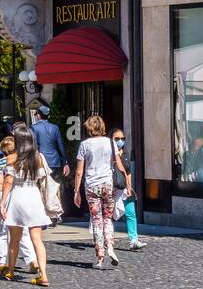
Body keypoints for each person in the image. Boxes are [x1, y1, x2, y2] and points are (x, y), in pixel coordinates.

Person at [74, 114, 129, 271]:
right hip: (107, 185)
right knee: (107, 219)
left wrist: (76, 191)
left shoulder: (85, 145)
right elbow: (119, 165)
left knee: (96, 219)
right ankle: (110, 247)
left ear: (89, 127)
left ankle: (100, 256)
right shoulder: (110, 142)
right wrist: (127, 183)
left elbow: (79, 171)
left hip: (91, 186)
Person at [0, 124, 52, 287]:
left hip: (18, 196)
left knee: (14, 238)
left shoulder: (12, 159)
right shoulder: (39, 157)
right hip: (33, 196)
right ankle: (43, 274)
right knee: (37, 239)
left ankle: (10, 270)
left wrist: (2, 202)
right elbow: (43, 179)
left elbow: (8, 182)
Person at [0, 135, 35, 273]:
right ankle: (31, 260)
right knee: (23, 229)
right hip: (20, 194)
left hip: (5, 195)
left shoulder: (1, 163)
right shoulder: (23, 161)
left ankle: (2, 261)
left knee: (2, 230)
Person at [113, 128, 146, 250]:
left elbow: (128, 171)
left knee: (131, 213)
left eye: (122, 138)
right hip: (113, 188)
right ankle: (107, 239)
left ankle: (134, 240)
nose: (120, 141)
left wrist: (129, 186)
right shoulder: (109, 153)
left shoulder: (125, 154)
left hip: (124, 188)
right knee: (109, 214)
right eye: (117, 138)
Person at [31, 105, 70, 186]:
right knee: (52, 186)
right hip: (54, 162)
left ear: (38, 115)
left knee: (41, 186)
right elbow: (60, 146)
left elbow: (33, 146)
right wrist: (65, 163)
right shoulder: (55, 128)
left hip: (40, 161)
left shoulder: (34, 128)